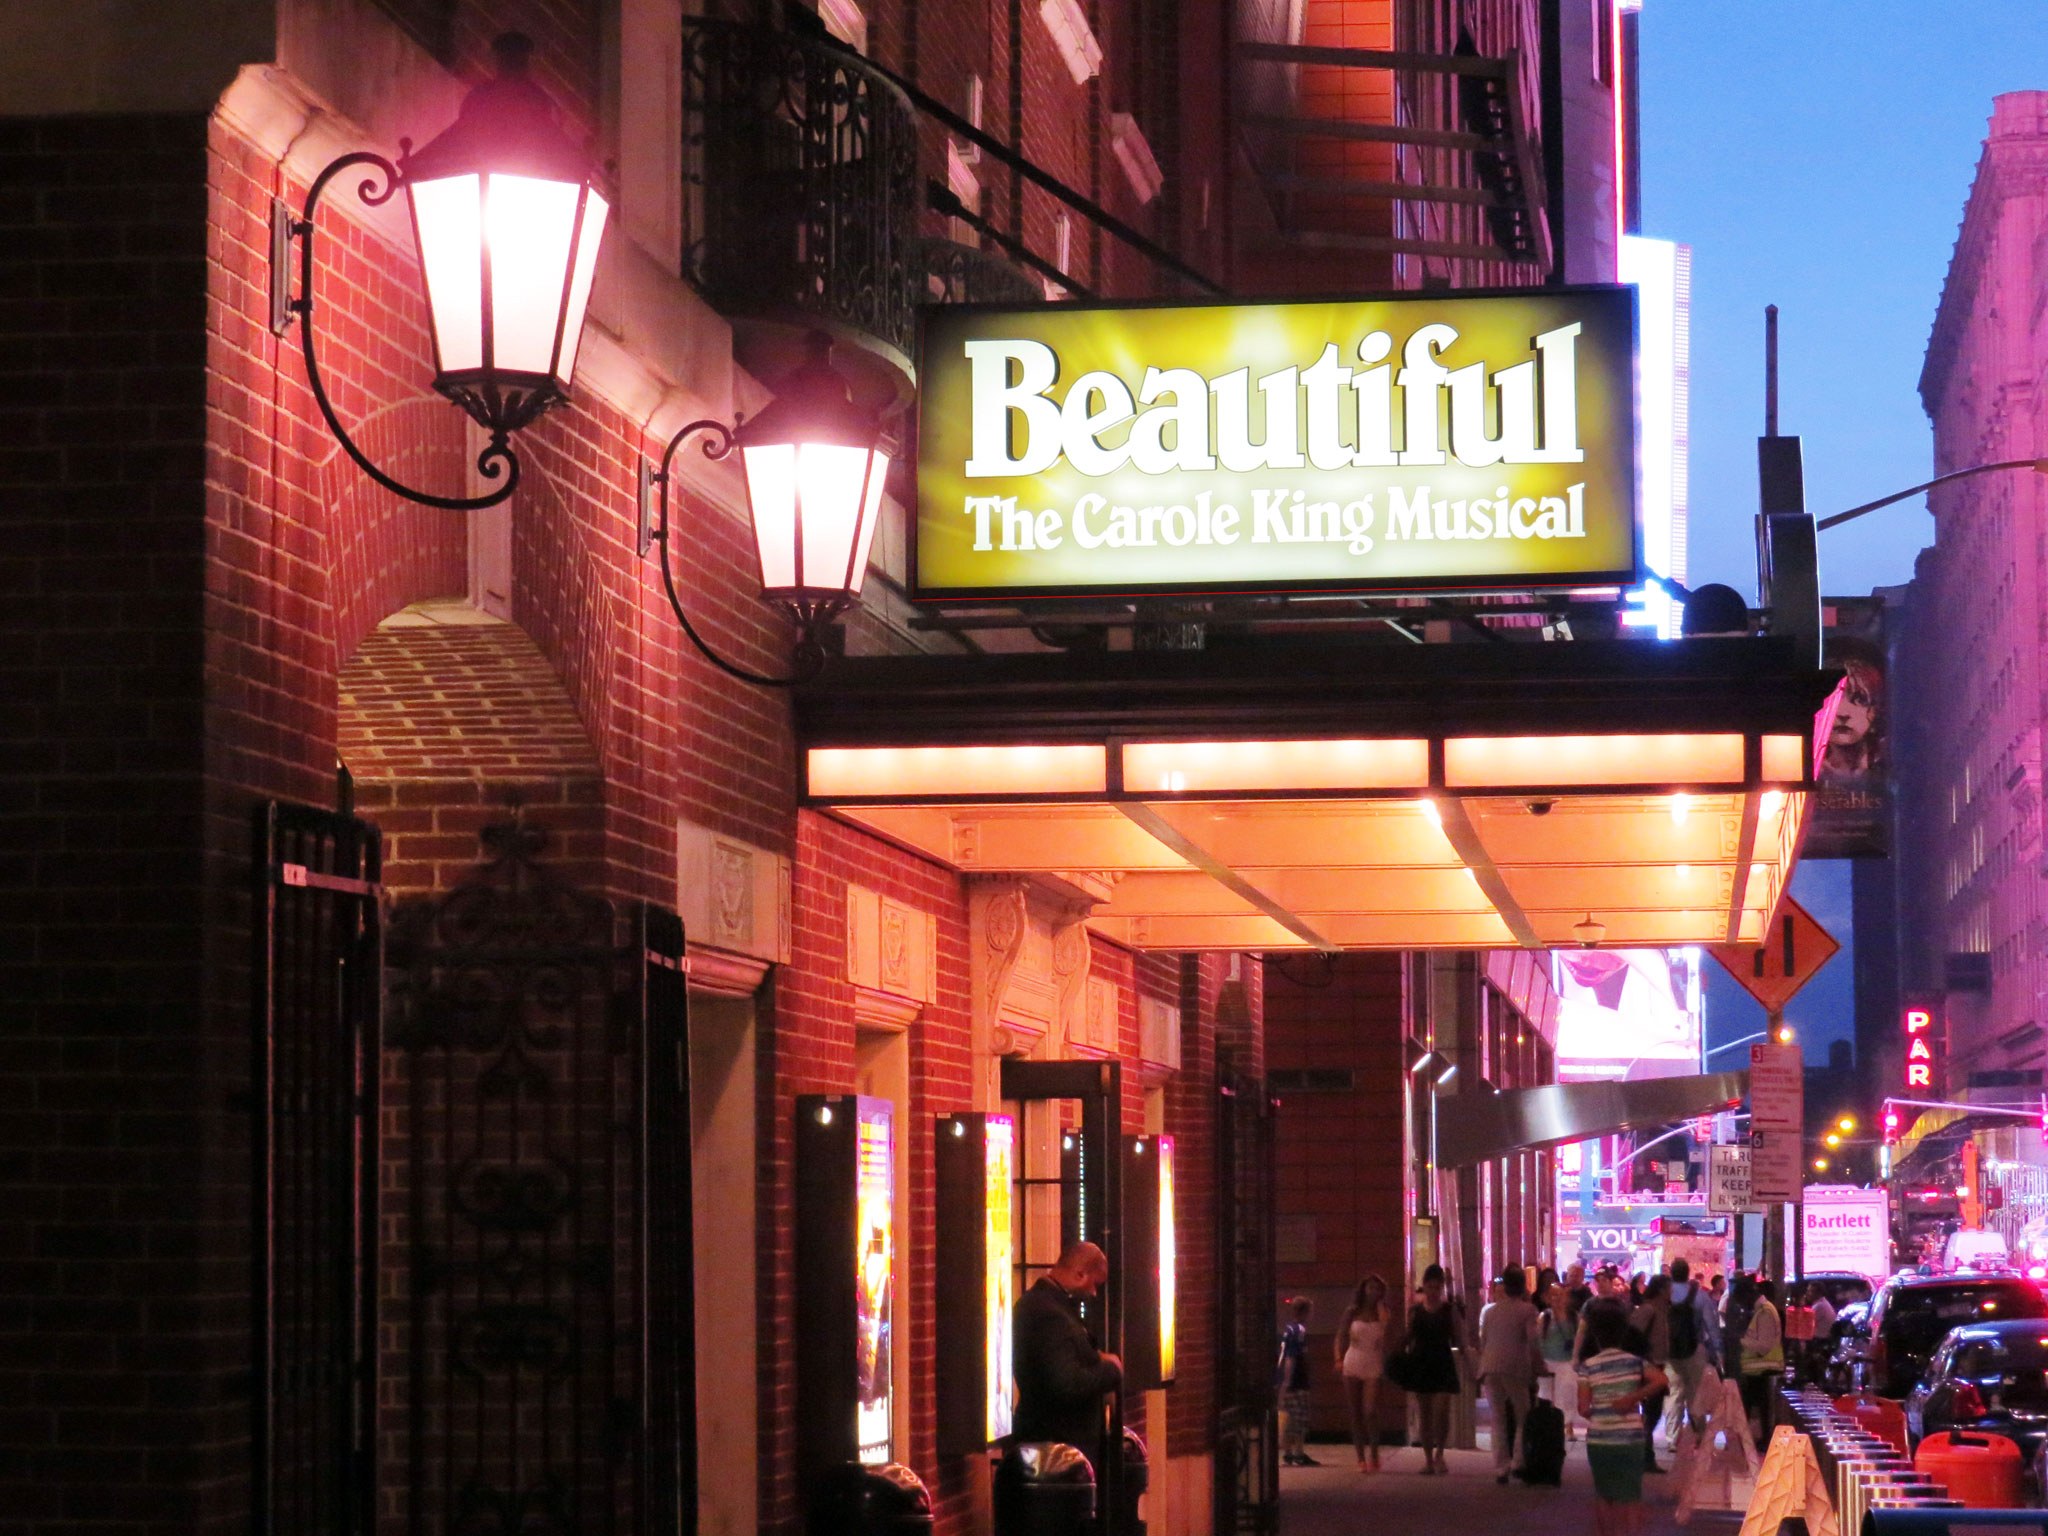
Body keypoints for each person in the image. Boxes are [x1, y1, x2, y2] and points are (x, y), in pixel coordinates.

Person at [1013, 1241, 1123, 1456]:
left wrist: (1096, 1358)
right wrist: (1112, 1369)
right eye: (1094, 1284)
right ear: (1080, 1274)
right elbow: (1067, 1383)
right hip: (1056, 1452)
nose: (1093, 1293)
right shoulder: (1049, 1314)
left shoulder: (1052, 1306)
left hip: (1059, 1448)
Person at [1579, 1298, 1668, 1536]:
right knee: (1630, 1495)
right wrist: (1633, 1398)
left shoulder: (1588, 1366)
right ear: (1623, 1332)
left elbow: (1583, 1407)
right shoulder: (1634, 1362)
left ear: (1595, 1334)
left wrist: (1601, 1410)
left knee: (1603, 1494)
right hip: (1630, 1439)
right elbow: (1661, 1380)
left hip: (1600, 1439)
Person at [1479, 1265, 1543, 1484]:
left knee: (1498, 1417)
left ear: (1504, 1286)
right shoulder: (1527, 1310)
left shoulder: (1491, 1311)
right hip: (1515, 1368)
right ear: (1523, 1285)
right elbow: (1533, 1340)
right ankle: (1518, 1462)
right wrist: (1539, 1366)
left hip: (1490, 1366)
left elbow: (1484, 1340)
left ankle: (1500, 1468)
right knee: (1522, 1415)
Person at [1405, 1263, 1464, 1475]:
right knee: (1425, 1413)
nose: (1433, 1291)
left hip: (1442, 1361)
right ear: (1424, 1286)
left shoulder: (1450, 1310)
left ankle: (1440, 1453)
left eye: (1437, 1287)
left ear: (1442, 1287)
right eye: (1429, 1287)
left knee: (1441, 1412)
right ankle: (1429, 1458)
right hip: (1422, 1362)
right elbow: (1409, 1337)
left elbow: (1459, 1337)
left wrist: (1467, 1360)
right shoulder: (1416, 1311)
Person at [1336, 1275, 1390, 1473]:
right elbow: (1340, 1335)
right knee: (1355, 1412)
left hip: (1373, 1361)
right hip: (1353, 1359)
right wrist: (1338, 1358)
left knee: (1370, 1411)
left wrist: (1382, 1311)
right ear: (1363, 1290)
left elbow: (1385, 1337)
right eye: (1370, 1288)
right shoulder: (1352, 1311)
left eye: (1377, 1288)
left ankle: (1374, 1452)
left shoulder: (1382, 1312)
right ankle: (1360, 1457)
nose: (1373, 1292)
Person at [1660, 1257, 1715, 1445]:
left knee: (1674, 1393)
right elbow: (1711, 1325)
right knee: (1695, 1393)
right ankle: (1699, 1434)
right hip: (1695, 1349)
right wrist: (1718, 1352)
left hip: (1669, 1351)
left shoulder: (1664, 1295)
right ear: (1687, 1273)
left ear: (1671, 1273)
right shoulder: (1699, 1296)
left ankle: (1672, 1438)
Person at [1627, 1275, 1671, 1472]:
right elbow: (1633, 1335)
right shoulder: (1649, 1310)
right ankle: (1643, 1455)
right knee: (1651, 1411)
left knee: (1653, 1412)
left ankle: (1645, 1454)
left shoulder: (1660, 1311)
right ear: (1662, 1290)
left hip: (1656, 1365)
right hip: (1647, 1366)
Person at [1736, 1275, 1783, 1450]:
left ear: (1749, 1295)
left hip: (1763, 1368)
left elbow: (1763, 1346)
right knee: (1755, 1406)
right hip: (1757, 1369)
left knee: (1760, 1406)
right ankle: (1752, 1439)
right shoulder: (1761, 1310)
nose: (1742, 1305)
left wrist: (1740, 1340)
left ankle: (1762, 1439)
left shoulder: (1765, 1311)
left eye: (1742, 1300)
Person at [1538, 1279, 1584, 1441]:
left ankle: (1568, 1426)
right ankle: (1552, 1426)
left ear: (1566, 1297)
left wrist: (1577, 1358)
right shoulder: (1544, 1317)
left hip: (1567, 1362)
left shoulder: (1574, 1317)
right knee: (1547, 1395)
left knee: (1567, 1394)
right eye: (1553, 1295)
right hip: (1548, 1361)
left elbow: (1580, 1338)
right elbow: (1539, 1340)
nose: (1556, 1298)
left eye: (1559, 1295)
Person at [1277, 1297, 1318, 1466]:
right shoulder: (1299, 1331)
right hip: (1297, 1381)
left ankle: (1288, 1452)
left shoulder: (1287, 1330)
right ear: (1304, 1312)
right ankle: (1299, 1452)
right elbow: (1292, 1358)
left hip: (1288, 1381)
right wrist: (1288, 1382)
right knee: (1300, 1417)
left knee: (1290, 1417)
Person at [1805, 1284, 1838, 1382]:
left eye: (1810, 1291)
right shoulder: (1821, 1304)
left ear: (1818, 1293)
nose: (1807, 1294)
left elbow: (1806, 1323)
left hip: (1819, 1342)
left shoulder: (1819, 1306)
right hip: (1822, 1340)